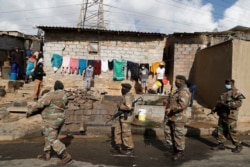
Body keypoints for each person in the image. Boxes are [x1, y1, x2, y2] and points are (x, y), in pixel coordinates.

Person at [27, 80, 72, 165]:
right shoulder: (64, 95)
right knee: (48, 135)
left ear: (55, 87)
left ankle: (65, 155)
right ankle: (47, 154)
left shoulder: (50, 95)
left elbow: (39, 105)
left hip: (52, 120)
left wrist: (29, 112)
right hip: (60, 119)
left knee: (52, 138)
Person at [211, 79, 245, 153]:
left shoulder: (236, 92)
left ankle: (238, 145)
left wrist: (228, 104)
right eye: (226, 83)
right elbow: (219, 103)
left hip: (230, 115)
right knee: (220, 130)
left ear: (232, 84)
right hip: (222, 114)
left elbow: (239, 103)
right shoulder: (224, 93)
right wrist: (215, 108)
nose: (227, 85)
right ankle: (221, 144)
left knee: (232, 131)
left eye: (228, 83)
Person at [164, 75, 191, 161]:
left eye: (176, 81)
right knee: (171, 133)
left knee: (178, 135)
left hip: (179, 118)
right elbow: (175, 101)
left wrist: (171, 109)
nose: (175, 82)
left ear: (181, 81)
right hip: (173, 117)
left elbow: (182, 105)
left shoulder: (184, 92)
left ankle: (180, 152)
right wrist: (168, 103)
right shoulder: (178, 91)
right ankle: (174, 149)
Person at [111, 83, 135, 155]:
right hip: (121, 116)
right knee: (117, 131)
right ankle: (118, 146)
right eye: (122, 88)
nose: (122, 89)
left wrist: (120, 105)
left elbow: (128, 107)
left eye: (123, 88)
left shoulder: (128, 96)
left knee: (126, 133)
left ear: (127, 89)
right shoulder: (124, 96)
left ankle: (130, 148)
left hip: (126, 117)